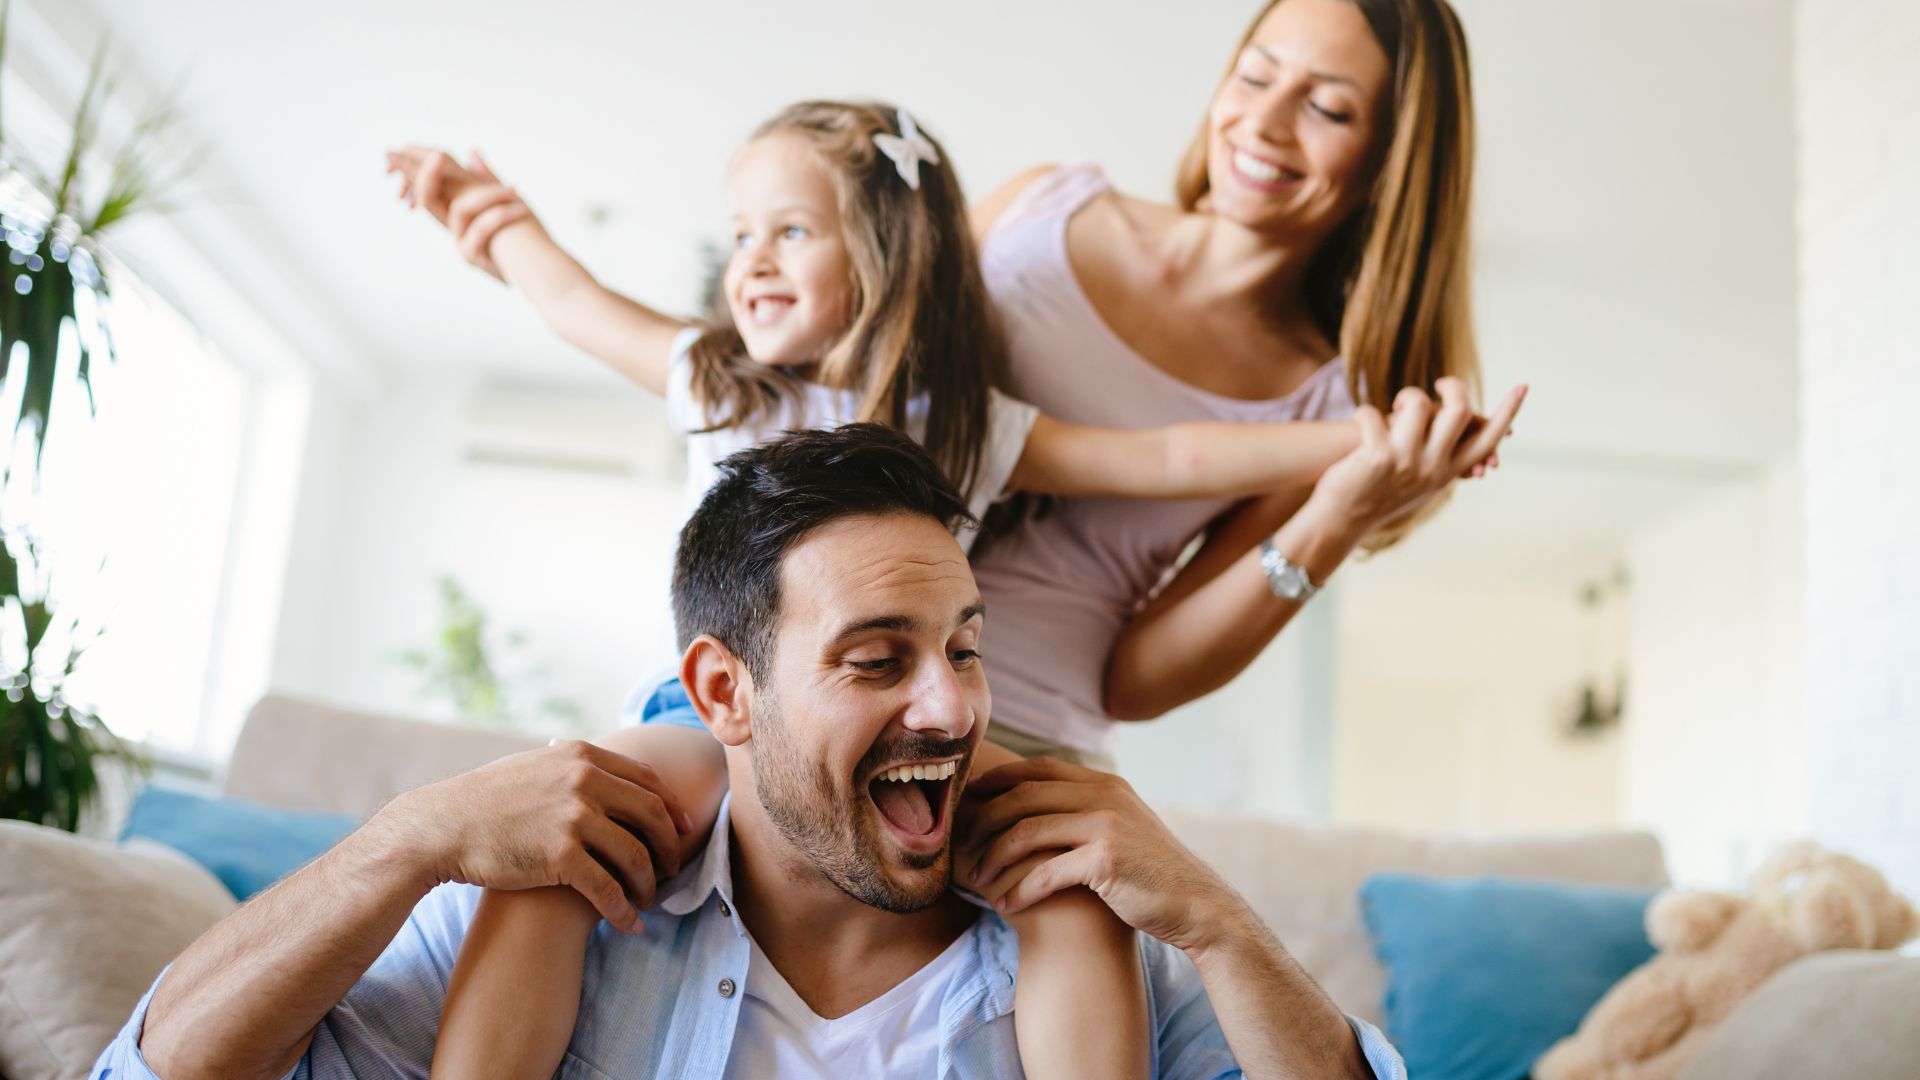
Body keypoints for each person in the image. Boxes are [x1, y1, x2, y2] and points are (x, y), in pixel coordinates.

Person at [384, 97, 1479, 1079]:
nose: (752, 261)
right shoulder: (715, 378)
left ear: (883, 253)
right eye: (742, 235)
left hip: (885, 740)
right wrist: (494, 221)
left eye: (791, 232)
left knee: (1069, 887)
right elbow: (574, 302)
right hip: (697, 721)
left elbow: (1170, 462)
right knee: (559, 842)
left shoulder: (966, 426)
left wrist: (1365, 446)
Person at [100, 424, 1407, 1079]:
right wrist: (399, 844)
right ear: (722, 690)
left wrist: (1227, 929)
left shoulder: (1090, 947)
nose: (953, 709)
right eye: (877, 658)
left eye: (964, 646)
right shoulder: (564, 903)